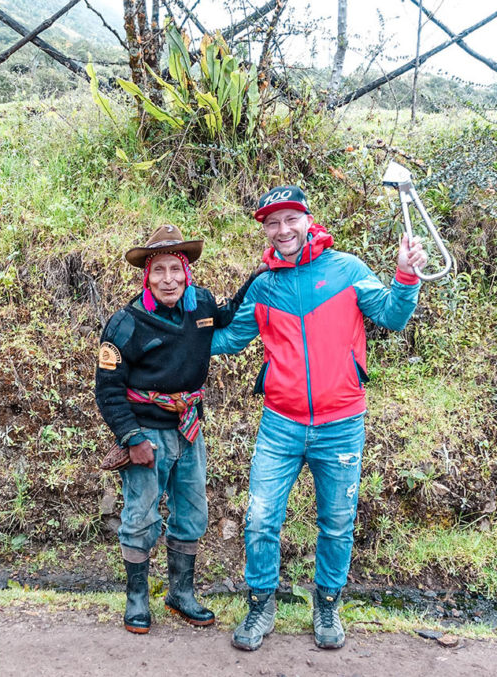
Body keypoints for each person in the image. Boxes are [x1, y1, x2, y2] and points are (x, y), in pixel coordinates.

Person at [212, 185, 426, 651]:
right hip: (280, 424)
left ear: (308, 220)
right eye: (272, 222)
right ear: (265, 230)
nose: (282, 229)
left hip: (342, 423)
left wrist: (406, 277)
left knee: (337, 522)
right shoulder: (264, 286)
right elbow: (228, 340)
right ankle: (261, 603)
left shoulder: (347, 270)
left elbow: (391, 316)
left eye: (290, 218)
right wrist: (171, 330)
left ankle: (327, 603)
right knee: (261, 519)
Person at [95, 224, 262, 634]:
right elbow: (108, 390)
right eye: (159, 270)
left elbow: (227, 314)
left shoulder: (200, 303)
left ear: (186, 272)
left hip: (190, 430)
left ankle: (180, 593)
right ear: (146, 276)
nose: (168, 279)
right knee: (140, 516)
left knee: (192, 512)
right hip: (146, 433)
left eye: (176, 269)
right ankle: (137, 599)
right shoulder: (125, 325)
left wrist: (256, 278)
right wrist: (133, 439)